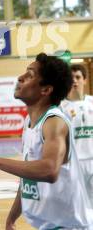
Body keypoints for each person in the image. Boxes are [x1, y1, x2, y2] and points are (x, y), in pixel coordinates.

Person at [0, 53, 93, 230]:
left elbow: (49, 169)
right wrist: (12, 217)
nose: (20, 78)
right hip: (49, 224)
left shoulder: (54, 121)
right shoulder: (29, 122)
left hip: (70, 226)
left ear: (46, 90)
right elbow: (28, 174)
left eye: (30, 75)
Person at [61, 64, 93, 202]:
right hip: (73, 163)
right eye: (71, 77)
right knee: (76, 204)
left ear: (84, 80)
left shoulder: (92, 102)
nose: (74, 80)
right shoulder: (61, 107)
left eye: (78, 77)